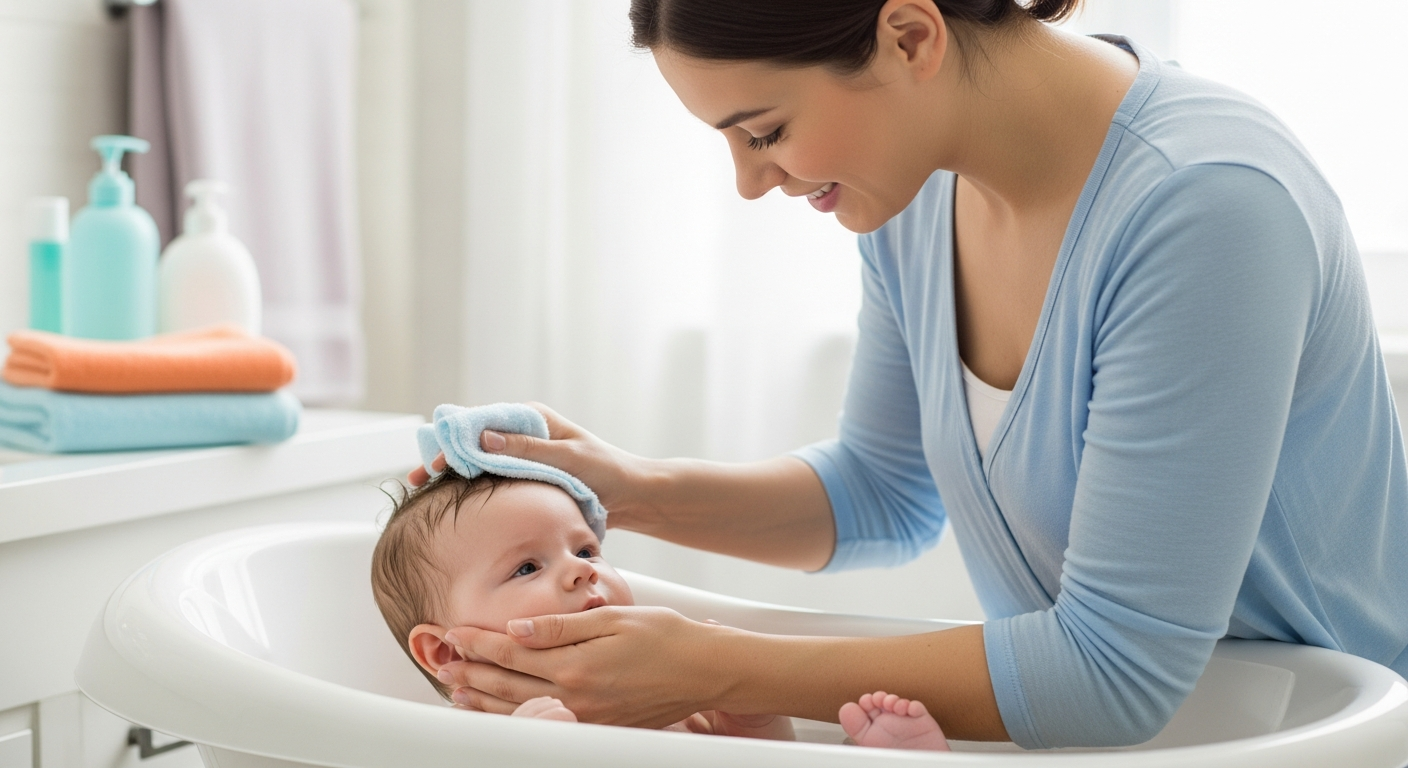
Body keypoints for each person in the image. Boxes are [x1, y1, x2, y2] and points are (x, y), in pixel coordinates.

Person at [414, 0, 1408, 749]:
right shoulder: (920, 199)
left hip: (1316, 741)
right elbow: (881, 494)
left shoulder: (1208, 210)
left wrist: (705, 663)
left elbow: (1114, 669)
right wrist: (621, 491)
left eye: (762, 131)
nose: (750, 180)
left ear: (909, 36)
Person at [372, 468, 952, 751]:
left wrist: (751, 719)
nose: (582, 569)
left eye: (585, 548)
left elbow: (762, 761)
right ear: (446, 650)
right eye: (527, 568)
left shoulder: (671, 689)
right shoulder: (480, 737)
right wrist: (534, 750)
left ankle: (886, 761)